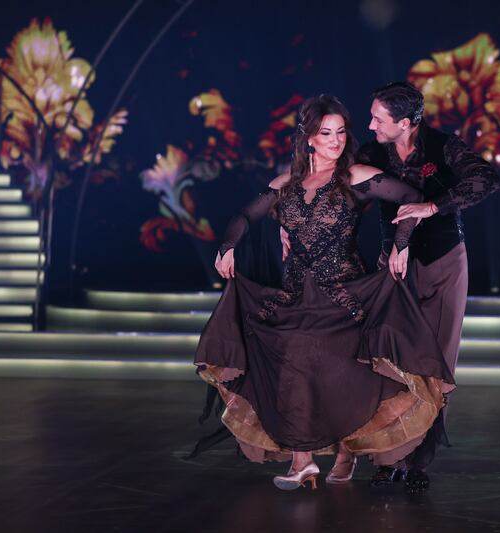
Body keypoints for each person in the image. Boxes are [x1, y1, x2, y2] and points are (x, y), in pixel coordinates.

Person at [194, 95, 455, 491]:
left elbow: (410, 198)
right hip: (296, 295)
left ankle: (344, 453)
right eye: (326, 133)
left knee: (339, 374)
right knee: (291, 368)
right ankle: (303, 461)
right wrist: (228, 246)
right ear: (309, 138)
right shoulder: (286, 184)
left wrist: (401, 243)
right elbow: (245, 215)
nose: (336, 140)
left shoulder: (355, 175)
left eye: (341, 132)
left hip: (345, 294)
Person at [360, 81, 500, 493]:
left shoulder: (443, 146)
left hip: (443, 261)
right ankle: (388, 457)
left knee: (435, 362)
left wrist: (433, 206)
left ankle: (419, 460)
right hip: (394, 266)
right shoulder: (372, 153)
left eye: (378, 119)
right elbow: (337, 187)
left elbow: (486, 179)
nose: (371, 125)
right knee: (390, 360)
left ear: (405, 123)